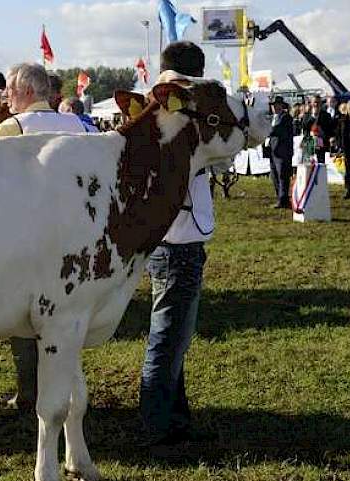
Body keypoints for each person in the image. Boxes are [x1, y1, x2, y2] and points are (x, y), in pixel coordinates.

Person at [0, 63, 93, 410]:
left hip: (27, 238)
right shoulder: (78, 126)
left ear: (27, 92)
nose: (6, 97)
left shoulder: (14, 127)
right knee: (66, 320)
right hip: (76, 236)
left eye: (11, 91)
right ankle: (65, 391)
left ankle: (31, 392)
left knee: (26, 322)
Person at [139, 40, 214, 446]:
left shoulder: (156, 103)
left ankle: (174, 414)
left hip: (166, 232)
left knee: (174, 334)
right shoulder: (182, 106)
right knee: (168, 334)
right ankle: (157, 423)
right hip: (179, 234)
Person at [268, 96, 294, 209]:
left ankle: (283, 199)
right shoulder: (272, 117)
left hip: (283, 151)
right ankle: (281, 197)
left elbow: (277, 130)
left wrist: (264, 130)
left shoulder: (285, 117)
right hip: (273, 150)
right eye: (273, 105)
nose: (274, 107)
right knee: (274, 176)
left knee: (282, 175)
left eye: (276, 105)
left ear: (281, 105)